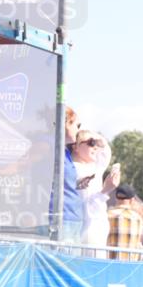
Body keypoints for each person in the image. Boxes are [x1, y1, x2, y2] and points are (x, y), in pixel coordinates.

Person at [72, 130, 118, 256]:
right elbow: (86, 206)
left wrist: (99, 140)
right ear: (75, 147)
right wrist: (106, 190)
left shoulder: (93, 167)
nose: (95, 146)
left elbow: (105, 153)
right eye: (91, 143)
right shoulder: (75, 170)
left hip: (98, 226)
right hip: (86, 230)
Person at [58, 107, 85, 242]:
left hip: (72, 219)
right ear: (65, 123)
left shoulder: (65, 152)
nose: (78, 130)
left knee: (71, 263)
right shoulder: (47, 145)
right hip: (60, 219)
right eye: (77, 125)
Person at [107, 184, 143, 260]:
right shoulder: (138, 218)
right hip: (130, 266)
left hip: (109, 264)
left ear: (116, 198)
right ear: (132, 200)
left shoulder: (107, 215)